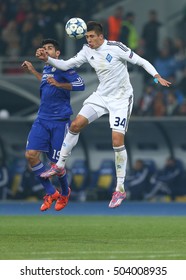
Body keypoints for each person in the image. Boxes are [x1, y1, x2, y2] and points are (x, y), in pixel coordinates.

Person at [37, 21, 171, 208]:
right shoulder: (86, 51)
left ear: (101, 36)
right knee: (75, 125)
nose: (89, 40)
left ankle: (120, 188)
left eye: (92, 36)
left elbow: (141, 61)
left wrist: (156, 76)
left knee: (117, 141)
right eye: (87, 37)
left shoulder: (116, 48)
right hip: (101, 96)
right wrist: (47, 60)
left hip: (121, 99)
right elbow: (66, 65)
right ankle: (59, 165)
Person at [22, 38, 85, 211]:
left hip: (60, 121)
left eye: (50, 48)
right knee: (31, 155)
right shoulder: (47, 67)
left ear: (57, 53)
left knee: (57, 166)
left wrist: (59, 84)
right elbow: (45, 81)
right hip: (42, 119)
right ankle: (51, 191)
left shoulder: (64, 67)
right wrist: (33, 70)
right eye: (44, 48)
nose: (46, 50)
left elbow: (81, 85)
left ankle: (65, 192)